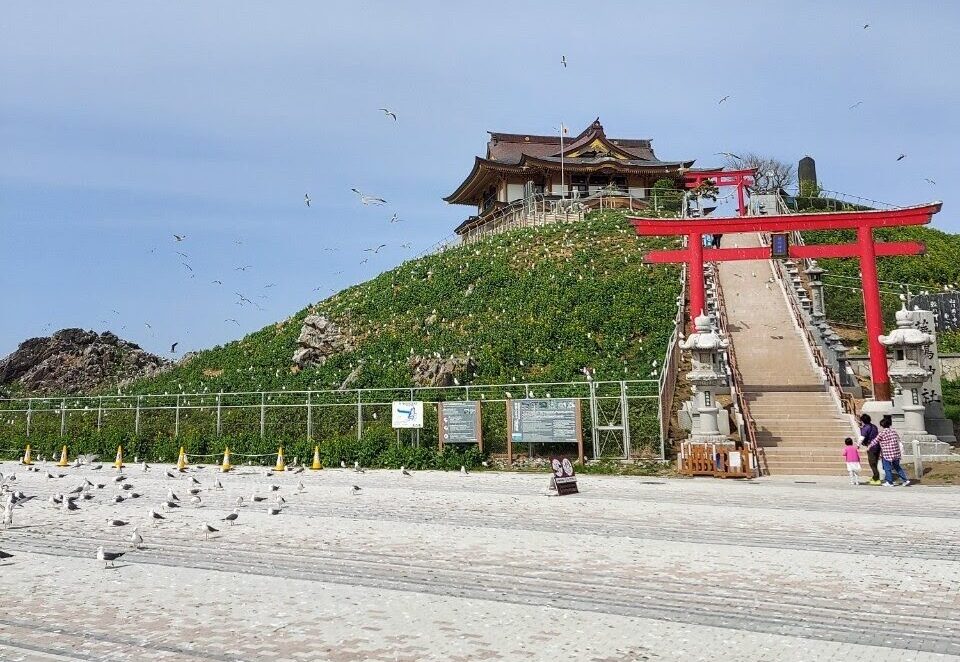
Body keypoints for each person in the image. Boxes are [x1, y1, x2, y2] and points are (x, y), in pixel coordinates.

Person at [876, 415, 910, 487]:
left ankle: (889, 482)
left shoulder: (882, 433)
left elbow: (875, 441)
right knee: (897, 467)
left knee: (887, 468)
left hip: (887, 453)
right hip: (896, 452)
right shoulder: (894, 432)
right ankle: (905, 480)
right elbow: (898, 440)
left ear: (882, 425)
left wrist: (869, 446)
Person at [859, 413, 881, 485]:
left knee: (872, 463)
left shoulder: (866, 428)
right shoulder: (874, 426)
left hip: (871, 446)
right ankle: (875, 477)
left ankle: (876, 478)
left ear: (863, 421)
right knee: (875, 462)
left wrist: (857, 445)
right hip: (877, 446)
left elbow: (862, 437)